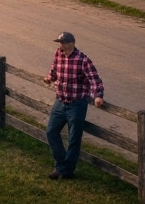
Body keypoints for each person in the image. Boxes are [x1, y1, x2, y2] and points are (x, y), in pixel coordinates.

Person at [43, 32, 105, 180]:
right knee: (51, 132)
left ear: (71, 43)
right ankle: (62, 165)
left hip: (76, 104)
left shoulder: (83, 60)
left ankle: (65, 171)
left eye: (62, 42)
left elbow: (94, 79)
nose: (60, 45)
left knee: (74, 138)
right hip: (60, 101)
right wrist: (49, 78)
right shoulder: (58, 54)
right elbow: (54, 70)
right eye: (59, 42)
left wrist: (98, 96)